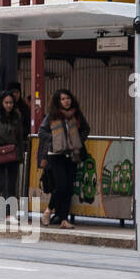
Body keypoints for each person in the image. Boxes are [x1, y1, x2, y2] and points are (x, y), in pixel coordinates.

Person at [39, 89, 89, 229]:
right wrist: (55, 140)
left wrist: (78, 140)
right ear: (57, 101)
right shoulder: (52, 116)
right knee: (61, 185)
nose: (66, 101)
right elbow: (41, 132)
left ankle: (64, 219)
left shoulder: (76, 114)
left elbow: (86, 129)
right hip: (56, 155)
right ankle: (48, 211)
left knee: (68, 188)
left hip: (72, 154)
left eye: (68, 98)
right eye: (63, 99)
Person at [0, 91, 27, 225]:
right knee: (0, 184)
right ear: (1, 103)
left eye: (11, 103)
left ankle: (10, 214)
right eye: (6, 102)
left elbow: (19, 137)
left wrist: (20, 155)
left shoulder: (16, 117)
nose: (9, 105)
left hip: (12, 154)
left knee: (11, 186)